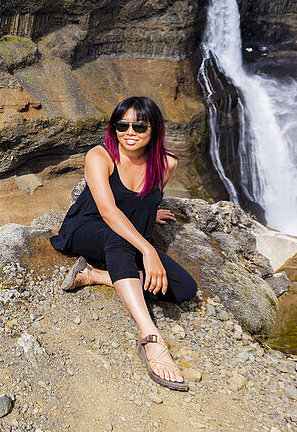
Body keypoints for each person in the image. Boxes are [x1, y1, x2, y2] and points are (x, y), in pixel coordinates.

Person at [50, 96, 197, 391]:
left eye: (139, 126)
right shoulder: (100, 156)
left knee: (184, 287)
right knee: (119, 238)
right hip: (87, 228)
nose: (129, 132)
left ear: (154, 129)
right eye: (122, 124)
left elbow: (143, 198)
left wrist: (150, 212)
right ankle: (150, 337)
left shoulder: (166, 164)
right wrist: (147, 249)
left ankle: (95, 275)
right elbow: (107, 210)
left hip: (126, 237)